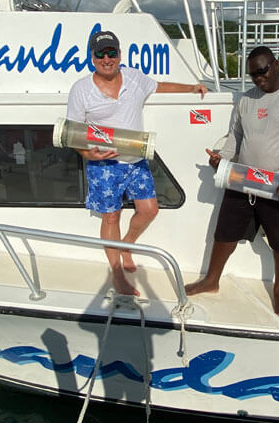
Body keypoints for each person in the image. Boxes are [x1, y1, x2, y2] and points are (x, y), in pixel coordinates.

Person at [67, 30, 207, 297]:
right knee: (111, 216)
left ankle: (126, 244)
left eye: (111, 53)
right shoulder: (81, 89)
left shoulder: (133, 77)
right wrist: (87, 155)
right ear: (92, 58)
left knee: (149, 209)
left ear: (119, 54)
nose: (106, 59)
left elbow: (159, 86)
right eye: (100, 54)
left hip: (135, 160)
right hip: (104, 164)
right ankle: (116, 273)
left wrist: (191, 88)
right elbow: (74, 131)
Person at [185, 46, 279, 317]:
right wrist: (222, 158)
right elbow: (235, 134)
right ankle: (212, 280)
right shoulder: (246, 100)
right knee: (225, 232)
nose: (258, 78)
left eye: (262, 71)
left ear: (276, 65)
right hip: (243, 179)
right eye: (253, 75)